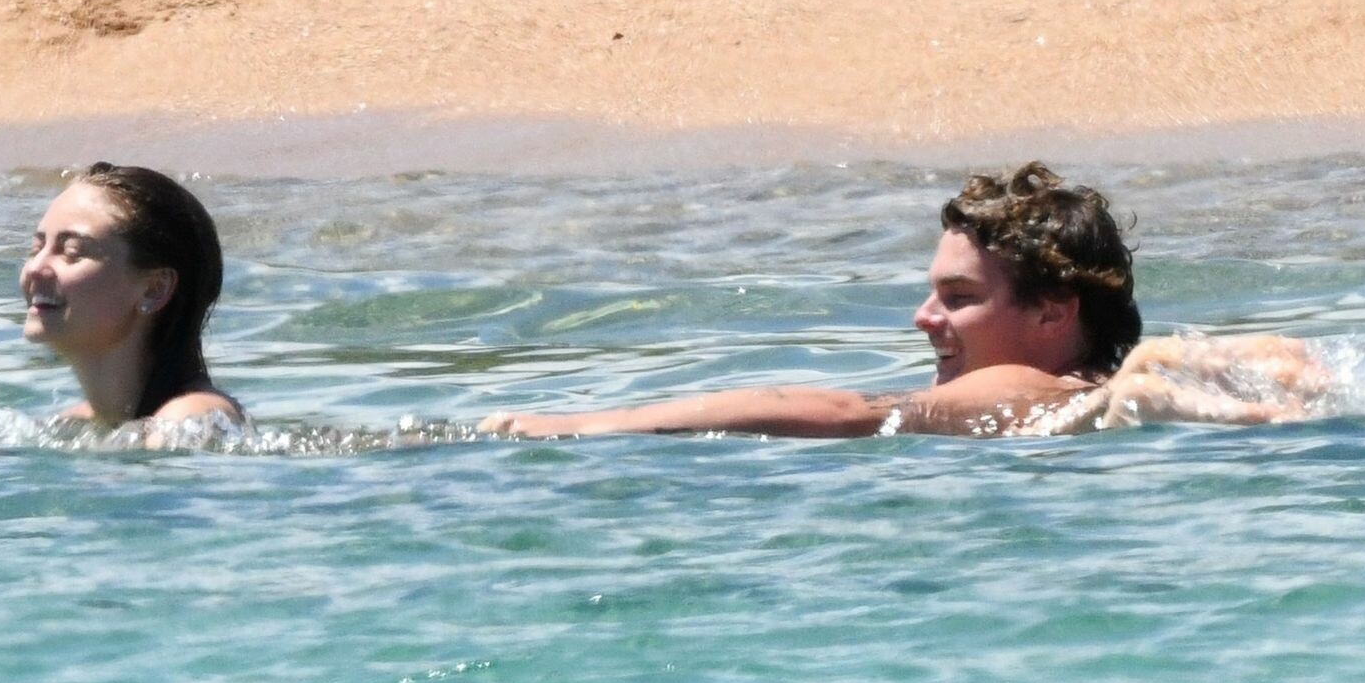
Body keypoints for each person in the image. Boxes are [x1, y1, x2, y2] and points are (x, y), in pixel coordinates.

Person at [481, 162, 1322, 438]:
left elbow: (850, 411)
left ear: (1053, 310)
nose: (925, 317)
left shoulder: (1015, 391)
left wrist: (580, 425)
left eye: (958, 297)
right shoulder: (1107, 382)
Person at [21, 162, 244, 430]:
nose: (35, 268)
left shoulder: (192, 419)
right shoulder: (71, 426)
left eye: (72, 252)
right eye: (36, 249)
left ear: (154, 289)